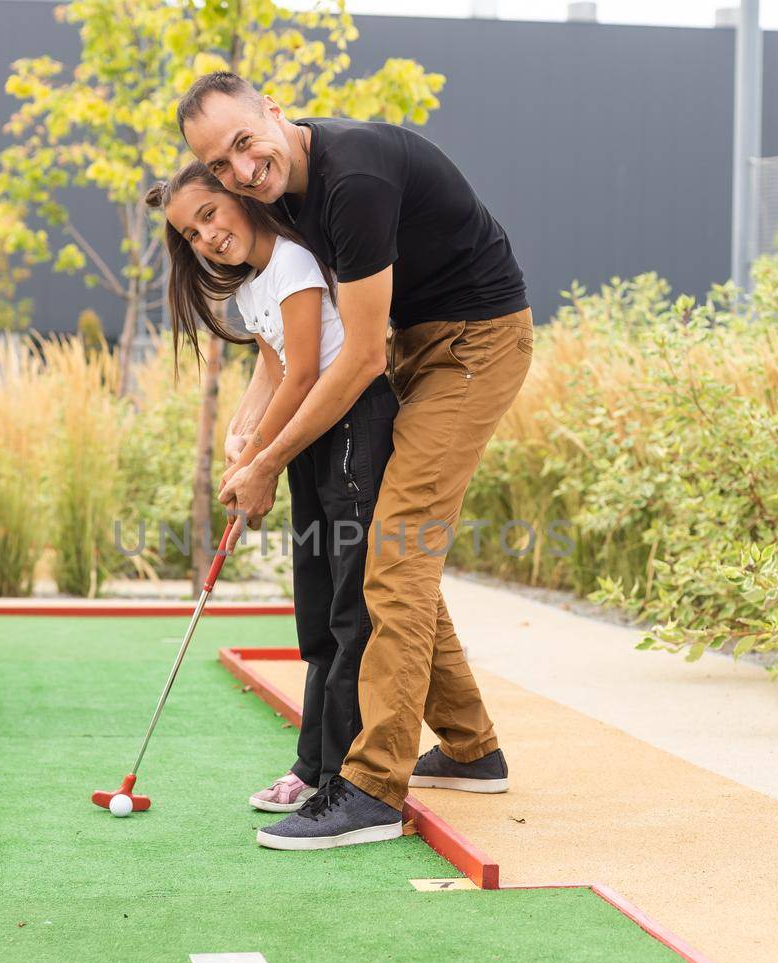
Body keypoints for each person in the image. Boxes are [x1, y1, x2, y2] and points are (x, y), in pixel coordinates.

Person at [177, 72, 532, 851]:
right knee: (392, 548)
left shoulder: (354, 177)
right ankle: (473, 750)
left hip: (476, 343)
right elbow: (290, 339)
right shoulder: (282, 192)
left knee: (396, 556)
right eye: (221, 164)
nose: (241, 170)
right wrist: (252, 424)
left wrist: (268, 460)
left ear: (274, 109)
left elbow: (359, 356)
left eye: (244, 141)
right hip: (422, 342)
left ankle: (371, 787)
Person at [145, 161, 399, 823]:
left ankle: (345, 776)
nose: (206, 237)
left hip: (353, 423)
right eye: (191, 234)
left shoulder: (291, 262)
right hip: (310, 434)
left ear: (239, 200)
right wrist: (241, 430)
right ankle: (312, 764)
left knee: (349, 608)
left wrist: (259, 458)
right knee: (315, 606)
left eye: (209, 216)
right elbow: (273, 366)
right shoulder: (250, 288)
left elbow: (309, 369)